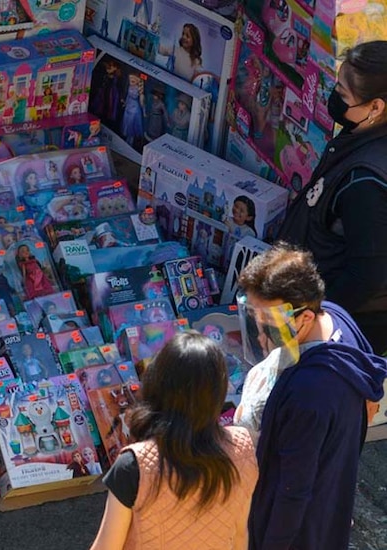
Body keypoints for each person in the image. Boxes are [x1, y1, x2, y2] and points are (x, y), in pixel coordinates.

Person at [233, 245, 386, 550]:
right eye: (254, 318)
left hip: (296, 525)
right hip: (330, 492)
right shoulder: (334, 314)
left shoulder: (308, 394)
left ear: (304, 317)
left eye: (269, 325)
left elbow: (293, 491)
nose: (260, 335)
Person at [90, 332, 258, 550]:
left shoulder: (134, 465)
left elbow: (106, 546)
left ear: (158, 383)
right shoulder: (242, 448)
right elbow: (240, 536)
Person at [278, 41, 387, 355]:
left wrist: (314, 321)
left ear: (376, 107)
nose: (334, 98)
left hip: (337, 330)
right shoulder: (363, 131)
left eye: (342, 93)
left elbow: (366, 277)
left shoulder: (365, 183)